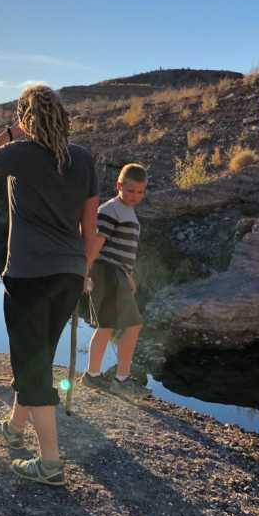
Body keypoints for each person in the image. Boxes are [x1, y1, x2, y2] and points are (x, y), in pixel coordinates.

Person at [0, 84, 98, 486]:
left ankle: (51, 463)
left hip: (28, 275)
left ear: (27, 118)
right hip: (70, 275)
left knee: (32, 364)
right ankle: (13, 426)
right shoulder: (83, 159)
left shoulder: (21, 152)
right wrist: (84, 271)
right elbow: (89, 228)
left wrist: (10, 134)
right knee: (38, 356)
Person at [81, 163, 148, 396]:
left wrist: (128, 275)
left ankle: (93, 375)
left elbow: (121, 249)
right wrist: (85, 272)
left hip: (117, 273)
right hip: (107, 272)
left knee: (106, 326)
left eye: (140, 192)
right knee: (133, 325)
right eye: (130, 190)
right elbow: (97, 243)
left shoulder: (128, 211)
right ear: (119, 185)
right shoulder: (111, 209)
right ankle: (121, 379)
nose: (135, 196)